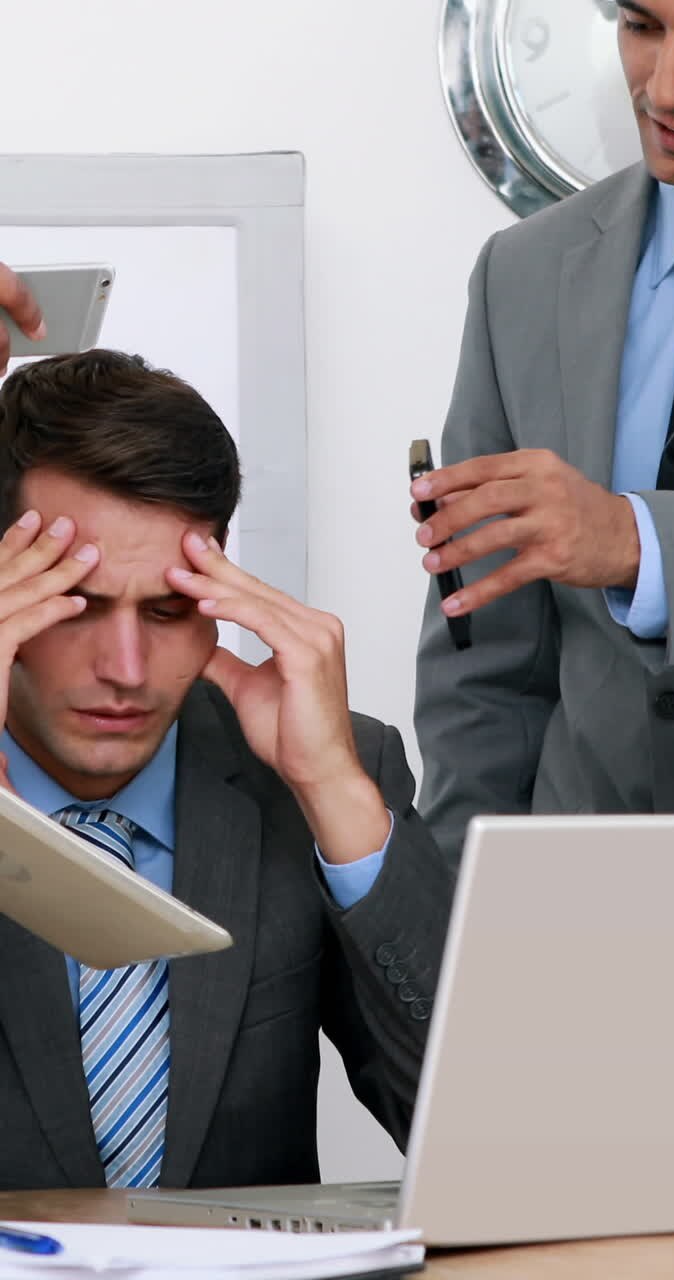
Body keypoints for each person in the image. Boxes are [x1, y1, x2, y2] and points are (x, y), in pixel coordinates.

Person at [0, 339, 453, 1192]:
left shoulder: (318, 774)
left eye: (170, 610)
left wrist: (335, 797)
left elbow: (488, 1142)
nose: (127, 668)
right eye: (75, 605)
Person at [413, 0, 674, 860]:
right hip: (577, 895)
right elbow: (484, 659)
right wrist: (461, 908)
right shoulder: (525, 270)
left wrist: (638, 542)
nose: (666, 86)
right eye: (642, 25)